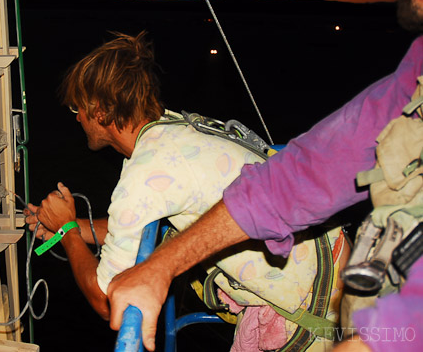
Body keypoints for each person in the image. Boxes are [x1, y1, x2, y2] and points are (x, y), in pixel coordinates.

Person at [106, 0, 423, 351]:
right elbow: (300, 176)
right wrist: (160, 266)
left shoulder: (147, 165)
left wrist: (72, 233)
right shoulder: (413, 79)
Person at [24, 32, 348, 350]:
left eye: (76, 109)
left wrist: (67, 231)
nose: (76, 118)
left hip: (318, 307)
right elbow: (133, 227)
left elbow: (108, 300)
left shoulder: (146, 174)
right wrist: (67, 225)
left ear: (100, 112)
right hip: (331, 260)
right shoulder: (171, 130)